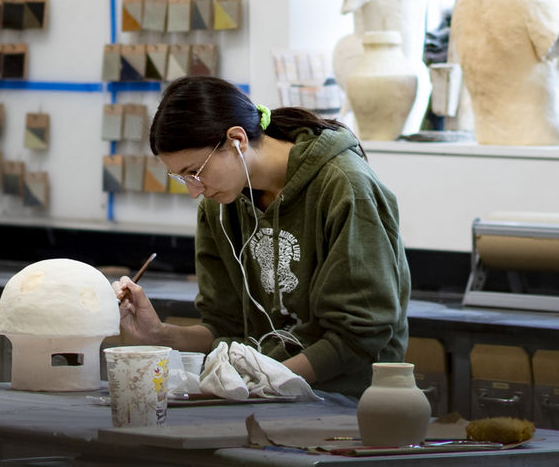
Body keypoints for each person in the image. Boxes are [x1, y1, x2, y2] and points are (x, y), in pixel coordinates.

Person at [111, 76, 410, 397]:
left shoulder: (344, 186)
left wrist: (268, 380)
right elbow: (224, 327)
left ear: (236, 140)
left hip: (348, 401)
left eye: (195, 172)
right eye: (181, 177)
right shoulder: (220, 204)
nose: (194, 191)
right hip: (263, 398)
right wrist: (160, 334)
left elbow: (358, 336)